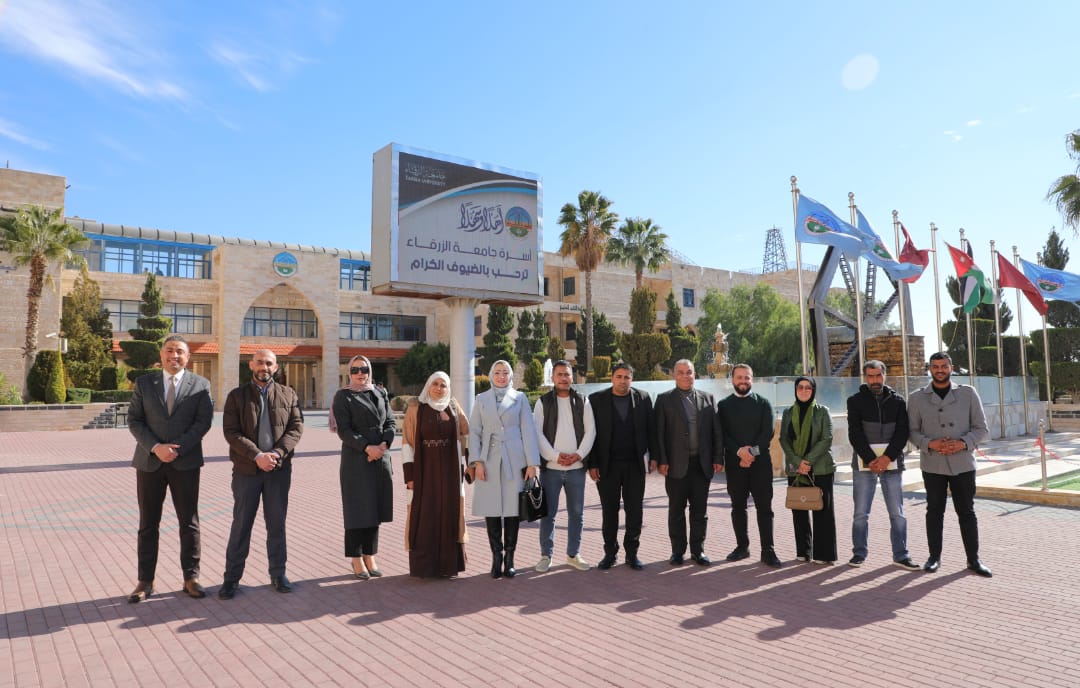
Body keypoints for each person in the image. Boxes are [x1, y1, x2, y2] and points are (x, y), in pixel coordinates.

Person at [126, 334, 214, 603]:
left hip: (185, 462)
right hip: (150, 462)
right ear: (161, 354)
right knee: (148, 523)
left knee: (189, 522)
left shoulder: (201, 385)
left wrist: (177, 449)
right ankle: (145, 580)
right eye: (169, 350)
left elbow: (203, 423)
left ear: (188, 357)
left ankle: (191, 577)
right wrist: (156, 447)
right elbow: (135, 420)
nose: (174, 355)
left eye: (179, 352)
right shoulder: (144, 383)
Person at [218, 349, 304, 599]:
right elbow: (231, 432)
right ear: (251, 365)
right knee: (241, 525)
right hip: (246, 471)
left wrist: (277, 453)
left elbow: (296, 427)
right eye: (259, 362)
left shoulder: (289, 394)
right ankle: (231, 579)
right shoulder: (237, 396)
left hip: (278, 470)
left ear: (275, 367)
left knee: (276, 525)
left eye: (269, 363)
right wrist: (257, 456)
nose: (264, 367)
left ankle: (278, 574)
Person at [907, 352, 992, 577]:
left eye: (944, 366)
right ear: (929, 369)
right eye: (935, 366)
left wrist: (962, 443)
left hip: (962, 463)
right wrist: (930, 443)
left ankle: (974, 559)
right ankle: (934, 557)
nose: (940, 370)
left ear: (951, 368)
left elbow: (981, 429)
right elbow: (912, 432)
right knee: (934, 511)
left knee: (967, 512)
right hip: (932, 464)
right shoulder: (916, 398)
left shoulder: (968, 393)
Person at [469, 360, 540, 579]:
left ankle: (510, 558)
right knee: (491, 508)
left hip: (515, 458)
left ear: (511, 376)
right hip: (488, 459)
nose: (501, 376)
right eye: (497, 372)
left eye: (505, 372)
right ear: (491, 375)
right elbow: (474, 432)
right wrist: (477, 462)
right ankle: (496, 557)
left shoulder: (520, 398)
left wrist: (532, 463)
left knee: (512, 508)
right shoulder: (481, 399)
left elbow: (528, 430)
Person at [847, 360, 920, 570]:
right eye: (870, 376)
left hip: (892, 463)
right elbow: (855, 433)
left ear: (884, 375)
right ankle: (859, 553)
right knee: (861, 513)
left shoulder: (898, 401)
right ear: (865, 378)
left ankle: (901, 555)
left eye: (878, 375)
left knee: (897, 513)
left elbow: (902, 432)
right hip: (864, 465)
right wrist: (871, 459)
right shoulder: (855, 401)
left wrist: (886, 458)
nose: (875, 380)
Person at [653, 359, 723, 566]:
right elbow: (658, 433)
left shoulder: (708, 398)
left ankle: (698, 551)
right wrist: (662, 459)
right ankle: (677, 551)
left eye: (689, 372)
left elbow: (716, 432)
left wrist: (718, 458)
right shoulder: (664, 400)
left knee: (700, 511)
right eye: (681, 372)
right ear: (674, 375)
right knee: (676, 510)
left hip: (701, 465)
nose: (685, 376)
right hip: (675, 465)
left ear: (695, 374)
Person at [401, 372, 470, 578]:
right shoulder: (416, 409)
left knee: (450, 513)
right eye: (435, 384)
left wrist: (471, 464)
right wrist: (410, 476)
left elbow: (467, 434)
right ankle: (425, 567)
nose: (439, 388)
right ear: (428, 386)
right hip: (424, 471)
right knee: (424, 515)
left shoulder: (454, 407)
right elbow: (407, 443)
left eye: (443, 385)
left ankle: (448, 566)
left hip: (450, 471)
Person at [587, 362, 655, 570]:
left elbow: (651, 431)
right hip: (607, 466)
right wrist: (592, 463)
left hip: (635, 465)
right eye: (619, 376)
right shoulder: (596, 400)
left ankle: (632, 554)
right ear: (612, 378)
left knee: (635, 511)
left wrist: (654, 457)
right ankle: (610, 553)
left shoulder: (643, 398)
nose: (622, 381)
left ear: (631, 379)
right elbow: (590, 435)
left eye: (627, 377)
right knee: (610, 511)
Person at [333, 355, 396, 580]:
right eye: (355, 370)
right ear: (349, 372)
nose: (360, 373)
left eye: (364, 369)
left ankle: (370, 554)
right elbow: (344, 430)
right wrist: (367, 448)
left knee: (375, 509)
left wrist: (384, 444)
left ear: (369, 371)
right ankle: (356, 557)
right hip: (356, 459)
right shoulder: (343, 396)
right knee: (357, 510)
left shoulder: (379, 393)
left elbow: (390, 422)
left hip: (380, 458)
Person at [533, 360, 596, 573]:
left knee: (576, 514)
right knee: (548, 514)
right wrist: (555, 456)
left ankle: (573, 554)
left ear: (572, 377)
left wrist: (578, 455)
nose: (563, 378)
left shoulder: (583, 401)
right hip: (551, 469)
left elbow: (591, 431)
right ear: (553, 377)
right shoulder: (542, 402)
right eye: (559, 374)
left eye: (567, 374)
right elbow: (537, 433)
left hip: (576, 469)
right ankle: (546, 555)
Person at [717, 363, 781, 567]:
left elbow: (767, 434)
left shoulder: (764, 404)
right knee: (738, 507)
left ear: (752, 379)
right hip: (735, 465)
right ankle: (742, 547)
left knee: (765, 507)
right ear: (732, 380)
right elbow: (723, 435)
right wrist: (739, 452)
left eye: (747, 377)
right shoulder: (724, 406)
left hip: (760, 465)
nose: (743, 381)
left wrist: (750, 454)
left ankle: (768, 550)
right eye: (739, 377)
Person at [778, 377, 836, 564]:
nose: (804, 391)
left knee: (823, 511)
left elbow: (827, 438)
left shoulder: (822, 411)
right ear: (795, 390)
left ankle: (823, 555)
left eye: (808, 388)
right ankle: (803, 551)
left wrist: (808, 461)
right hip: (796, 469)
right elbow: (783, 439)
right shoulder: (788, 412)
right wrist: (798, 462)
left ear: (813, 390)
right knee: (798, 509)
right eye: (800, 387)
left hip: (820, 468)